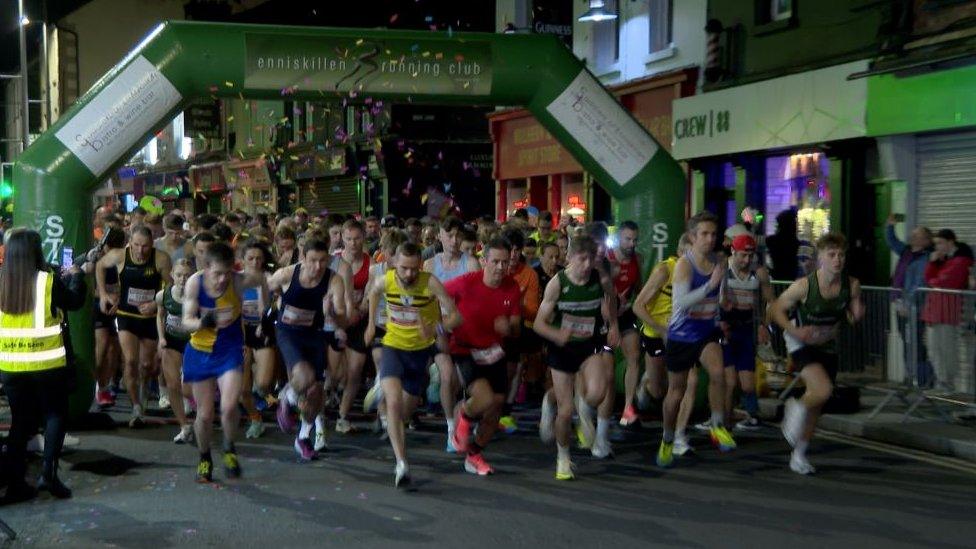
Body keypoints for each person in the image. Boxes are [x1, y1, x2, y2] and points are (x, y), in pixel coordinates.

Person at [0, 229, 87, 503]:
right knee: (54, 415)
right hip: (48, 363)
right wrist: (77, 276)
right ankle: (48, 474)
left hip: (11, 365)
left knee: (20, 423)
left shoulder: (2, 281)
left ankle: (15, 484)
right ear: (36, 251)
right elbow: (74, 302)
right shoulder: (47, 281)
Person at [364, 242, 460, 488]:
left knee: (404, 414)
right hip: (393, 347)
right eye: (404, 268)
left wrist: (436, 327)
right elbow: (373, 292)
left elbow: (456, 317)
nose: (409, 274)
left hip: (419, 353)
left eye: (414, 268)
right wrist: (372, 324)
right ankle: (402, 463)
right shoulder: (386, 280)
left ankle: (381, 394)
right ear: (394, 262)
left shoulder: (429, 283)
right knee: (395, 406)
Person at [773, 233, 863, 474]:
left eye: (841, 255)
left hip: (827, 345)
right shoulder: (804, 285)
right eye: (831, 255)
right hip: (800, 343)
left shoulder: (851, 284)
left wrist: (855, 309)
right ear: (820, 258)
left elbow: (854, 317)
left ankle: (799, 455)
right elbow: (776, 309)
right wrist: (796, 330)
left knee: (818, 403)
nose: (837, 260)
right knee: (823, 389)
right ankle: (794, 408)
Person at [534, 235, 618, 480]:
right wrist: (556, 334)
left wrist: (612, 324)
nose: (586, 265)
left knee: (597, 393)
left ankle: (582, 406)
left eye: (590, 259)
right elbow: (539, 324)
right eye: (581, 259)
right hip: (562, 349)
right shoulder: (557, 284)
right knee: (565, 410)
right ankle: (562, 458)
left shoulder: (599, 278)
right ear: (569, 258)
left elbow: (611, 298)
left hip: (588, 345)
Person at [180, 242, 266, 482]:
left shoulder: (238, 281)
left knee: (229, 406)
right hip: (200, 351)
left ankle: (229, 448)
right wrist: (202, 322)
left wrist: (264, 309)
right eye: (217, 273)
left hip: (229, 350)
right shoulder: (195, 283)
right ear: (206, 268)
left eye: (226, 273)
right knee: (205, 414)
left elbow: (262, 279)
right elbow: (185, 320)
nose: (222, 279)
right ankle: (205, 456)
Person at [657, 211, 736, 469]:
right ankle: (668, 438)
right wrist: (710, 286)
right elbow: (680, 302)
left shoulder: (718, 262)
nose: (709, 239)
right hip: (681, 334)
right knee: (676, 393)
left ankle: (716, 425)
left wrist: (724, 298)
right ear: (692, 237)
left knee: (718, 373)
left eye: (713, 234)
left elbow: (720, 295)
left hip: (705, 331)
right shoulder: (684, 264)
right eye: (704, 234)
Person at [446, 238, 522, 475]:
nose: (500, 268)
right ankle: (464, 417)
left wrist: (507, 328)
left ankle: (475, 454)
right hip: (465, 349)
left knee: (495, 407)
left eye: (505, 262)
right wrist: (442, 322)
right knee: (485, 398)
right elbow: (435, 292)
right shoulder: (466, 283)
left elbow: (517, 327)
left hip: (494, 351)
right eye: (495, 262)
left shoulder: (512, 287)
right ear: (484, 260)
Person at [268, 238, 348, 460]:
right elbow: (265, 289)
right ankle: (287, 397)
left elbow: (342, 316)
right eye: (313, 260)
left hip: (314, 334)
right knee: (304, 375)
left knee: (315, 394)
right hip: (288, 333)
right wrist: (270, 305)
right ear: (303, 258)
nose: (318, 266)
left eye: (323, 261)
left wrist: (332, 313)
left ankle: (303, 438)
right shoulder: (287, 274)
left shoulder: (334, 280)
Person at [97, 225, 172, 427]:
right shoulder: (120, 256)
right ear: (130, 242)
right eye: (136, 245)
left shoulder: (161, 259)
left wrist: (156, 304)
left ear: (152, 244)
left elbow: (173, 288)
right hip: (126, 316)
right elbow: (100, 266)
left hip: (149, 318)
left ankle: (144, 390)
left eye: (145, 246)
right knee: (130, 361)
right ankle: (136, 407)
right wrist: (104, 294)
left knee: (147, 366)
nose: (140, 250)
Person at [422, 216, 479, 451]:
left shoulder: (471, 264)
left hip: (465, 329)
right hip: (439, 329)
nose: (454, 241)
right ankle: (449, 428)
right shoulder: (429, 265)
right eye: (449, 235)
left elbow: (476, 302)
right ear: (440, 236)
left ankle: (464, 420)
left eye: (458, 236)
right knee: (447, 376)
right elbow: (425, 300)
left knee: (466, 382)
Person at [719, 234, 774, 430]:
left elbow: (770, 302)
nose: (747, 260)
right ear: (733, 251)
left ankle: (752, 415)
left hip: (746, 327)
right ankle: (722, 422)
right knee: (729, 381)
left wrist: (764, 325)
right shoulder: (723, 268)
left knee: (748, 384)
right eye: (743, 255)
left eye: (750, 256)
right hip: (726, 327)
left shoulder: (759, 272)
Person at [499, 228, 540, 435]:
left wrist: (512, 306)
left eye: (517, 250)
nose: (514, 254)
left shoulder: (530, 274)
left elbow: (532, 311)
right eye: (510, 249)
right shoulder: (494, 268)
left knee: (514, 365)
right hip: (491, 327)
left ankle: (506, 412)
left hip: (516, 328)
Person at [922, 229, 974, 393]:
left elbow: (944, 282)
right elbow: (929, 278)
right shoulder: (942, 260)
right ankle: (942, 381)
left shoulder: (961, 260)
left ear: (950, 242)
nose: (937, 247)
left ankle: (948, 382)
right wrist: (933, 263)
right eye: (936, 243)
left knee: (947, 349)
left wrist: (933, 279)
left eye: (940, 243)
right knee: (934, 349)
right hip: (934, 311)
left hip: (947, 312)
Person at [884, 214, 933, 387]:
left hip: (914, 308)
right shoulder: (906, 251)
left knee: (917, 343)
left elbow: (918, 284)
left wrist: (908, 303)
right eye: (913, 234)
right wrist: (890, 226)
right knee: (906, 340)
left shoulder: (925, 258)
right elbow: (892, 242)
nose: (912, 237)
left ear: (926, 240)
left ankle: (922, 379)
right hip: (900, 304)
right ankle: (910, 376)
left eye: (917, 235)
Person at [335, 220, 373, 434]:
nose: (353, 243)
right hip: (338, 320)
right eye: (348, 239)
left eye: (357, 238)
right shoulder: (334, 263)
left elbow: (370, 293)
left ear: (363, 238)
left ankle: (342, 415)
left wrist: (360, 309)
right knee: (337, 373)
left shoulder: (371, 263)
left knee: (355, 370)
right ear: (342, 238)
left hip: (360, 320)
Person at [609, 221, 644, 429]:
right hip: (607, 315)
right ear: (618, 239)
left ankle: (628, 408)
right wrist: (613, 303)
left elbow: (638, 289)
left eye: (635, 240)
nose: (631, 244)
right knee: (607, 363)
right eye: (627, 239)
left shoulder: (638, 259)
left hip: (626, 313)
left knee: (634, 357)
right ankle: (606, 405)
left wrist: (630, 304)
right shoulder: (606, 258)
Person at [155, 259, 194, 444]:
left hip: (191, 343)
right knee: (172, 385)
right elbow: (160, 315)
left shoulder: (197, 296)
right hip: (171, 341)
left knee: (188, 388)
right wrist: (161, 338)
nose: (183, 279)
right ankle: (184, 426)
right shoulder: (163, 295)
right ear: (172, 274)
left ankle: (199, 417)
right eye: (179, 275)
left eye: (187, 275)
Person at [239, 240, 276, 439]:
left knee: (262, 384)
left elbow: (277, 304)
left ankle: (262, 394)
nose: (255, 262)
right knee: (242, 391)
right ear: (242, 260)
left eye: (259, 258)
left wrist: (267, 318)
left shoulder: (269, 279)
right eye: (250, 258)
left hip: (264, 332)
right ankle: (256, 419)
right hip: (242, 333)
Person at [93, 222, 125, 408]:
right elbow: (91, 288)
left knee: (115, 349)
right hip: (100, 307)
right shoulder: (96, 259)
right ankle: (100, 386)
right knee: (103, 346)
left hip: (119, 307)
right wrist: (106, 295)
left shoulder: (122, 259)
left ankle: (109, 384)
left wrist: (118, 298)